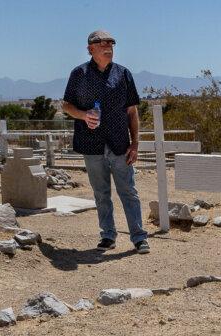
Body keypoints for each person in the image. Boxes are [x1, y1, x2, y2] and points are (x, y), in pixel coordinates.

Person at [61, 29, 150, 254]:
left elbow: (132, 112)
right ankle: (108, 235)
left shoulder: (123, 74)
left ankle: (139, 237)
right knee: (101, 193)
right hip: (91, 144)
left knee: (128, 191)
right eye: (102, 44)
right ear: (90, 49)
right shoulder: (79, 74)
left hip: (120, 143)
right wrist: (83, 115)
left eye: (111, 43)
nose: (108, 47)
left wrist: (135, 144)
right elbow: (66, 105)